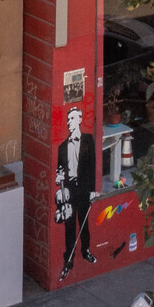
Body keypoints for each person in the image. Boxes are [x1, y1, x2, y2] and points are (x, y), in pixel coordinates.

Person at [55, 105, 97, 279]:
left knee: (84, 222)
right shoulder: (62, 147)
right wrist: (59, 178)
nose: (69, 122)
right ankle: (69, 258)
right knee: (69, 225)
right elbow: (59, 169)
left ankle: (85, 249)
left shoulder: (88, 140)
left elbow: (92, 167)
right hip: (70, 189)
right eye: (67, 119)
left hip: (84, 188)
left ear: (79, 119)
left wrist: (93, 190)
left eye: (72, 119)